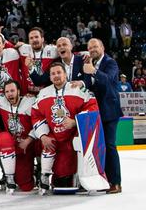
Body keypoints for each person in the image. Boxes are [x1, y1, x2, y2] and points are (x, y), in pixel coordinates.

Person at [31, 62, 99, 194]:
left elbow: (93, 108)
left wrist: (75, 122)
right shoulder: (43, 93)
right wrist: (43, 135)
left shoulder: (78, 89)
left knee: (66, 179)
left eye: (59, 72)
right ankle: (44, 176)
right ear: (50, 77)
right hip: (55, 138)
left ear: (65, 74)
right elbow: (36, 115)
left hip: (73, 139)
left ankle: (82, 179)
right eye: (53, 74)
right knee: (48, 148)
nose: (56, 76)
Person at [82, 38, 122, 193]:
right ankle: (103, 180)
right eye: (90, 47)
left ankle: (116, 182)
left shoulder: (110, 62)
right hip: (93, 112)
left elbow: (109, 81)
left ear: (103, 47)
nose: (92, 50)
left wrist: (93, 70)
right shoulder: (88, 64)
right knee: (99, 148)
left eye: (95, 47)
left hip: (109, 111)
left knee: (110, 145)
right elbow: (88, 85)